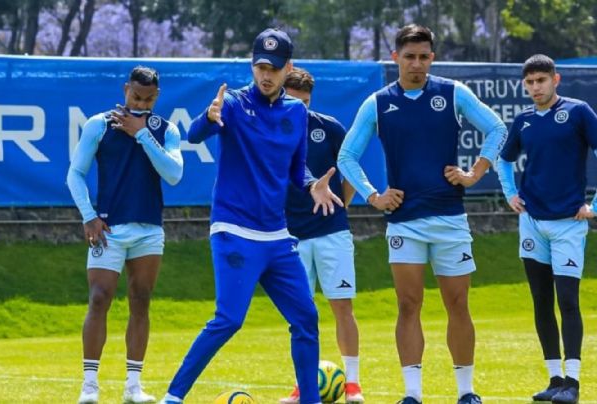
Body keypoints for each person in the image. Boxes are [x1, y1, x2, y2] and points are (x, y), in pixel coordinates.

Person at [158, 28, 342, 404]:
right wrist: (209, 118)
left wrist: (311, 186)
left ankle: (310, 400)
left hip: (277, 237)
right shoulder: (233, 103)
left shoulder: (296, 113)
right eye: (260, 65)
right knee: (229, 319)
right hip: (233, 231)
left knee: (306, 319)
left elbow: (296, 169)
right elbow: (193, 134)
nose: (266, 74)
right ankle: (172, 397)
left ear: (288, 67)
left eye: (274, 67)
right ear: (252, 65)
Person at [337, 24, 507, 404]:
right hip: (404, 222)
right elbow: (346, 156)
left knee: (458, 304)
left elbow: (496, 128)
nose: (417, 64)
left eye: (424, 57)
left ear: (432, 57)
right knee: (408, 304)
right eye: (409, 57)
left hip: (450, 219)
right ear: (395, 57)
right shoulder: (377, 103)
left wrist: (475, 173)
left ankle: (466, 392)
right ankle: (412, 395)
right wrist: (373, 196)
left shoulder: (451, 94)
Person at [67, 66, 184, 404]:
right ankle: (90, 385)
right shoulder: (99, 124)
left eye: (148, 99)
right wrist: (89, 217)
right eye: (136, 97)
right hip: (109, 229)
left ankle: (133, 387)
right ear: (125, 90)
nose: (141, 104)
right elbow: (75, 174)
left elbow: (174, 174)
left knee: (141, 299)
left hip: (149, 229)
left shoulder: (167, 130)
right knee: (99, 297)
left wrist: (143, 133)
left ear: (157, 97)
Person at [495, 54, 596, 404]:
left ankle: (574, 382)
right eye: (530, 83)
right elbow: (504, 160)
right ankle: (554, 379)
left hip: (569, 223)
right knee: (541, 301)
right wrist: (510, 195)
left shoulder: (579, 111)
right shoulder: (522, 121)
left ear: (557, 79)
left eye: (542, 80)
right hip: (532, 223)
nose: (536, 87)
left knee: (567, 301)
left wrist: (594, 205)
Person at [280, 67, 364, 404]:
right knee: (300, 315)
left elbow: (352, 170)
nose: (298, 109)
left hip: (332, 234)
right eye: (292, 101)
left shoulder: (329, 127)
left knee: (342, 307)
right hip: (290, 236)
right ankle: (304, 386)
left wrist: (339, 206)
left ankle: (353, 385)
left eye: (305, 103)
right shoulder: (269, 130)